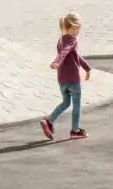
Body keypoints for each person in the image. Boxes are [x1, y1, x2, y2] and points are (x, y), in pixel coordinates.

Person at [39, 12, 91, 141]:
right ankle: (75, 130)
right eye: (79, 29)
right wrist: (56, 61)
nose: (79, 32)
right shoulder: (72, 39)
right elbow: (65, 51)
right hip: (73, 79)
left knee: (66, 102)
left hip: (62, 79)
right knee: (76, 104)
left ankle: (49, 121)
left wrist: (86, 68)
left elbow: (74, 56)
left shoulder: (60, 40)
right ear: (74, 26)